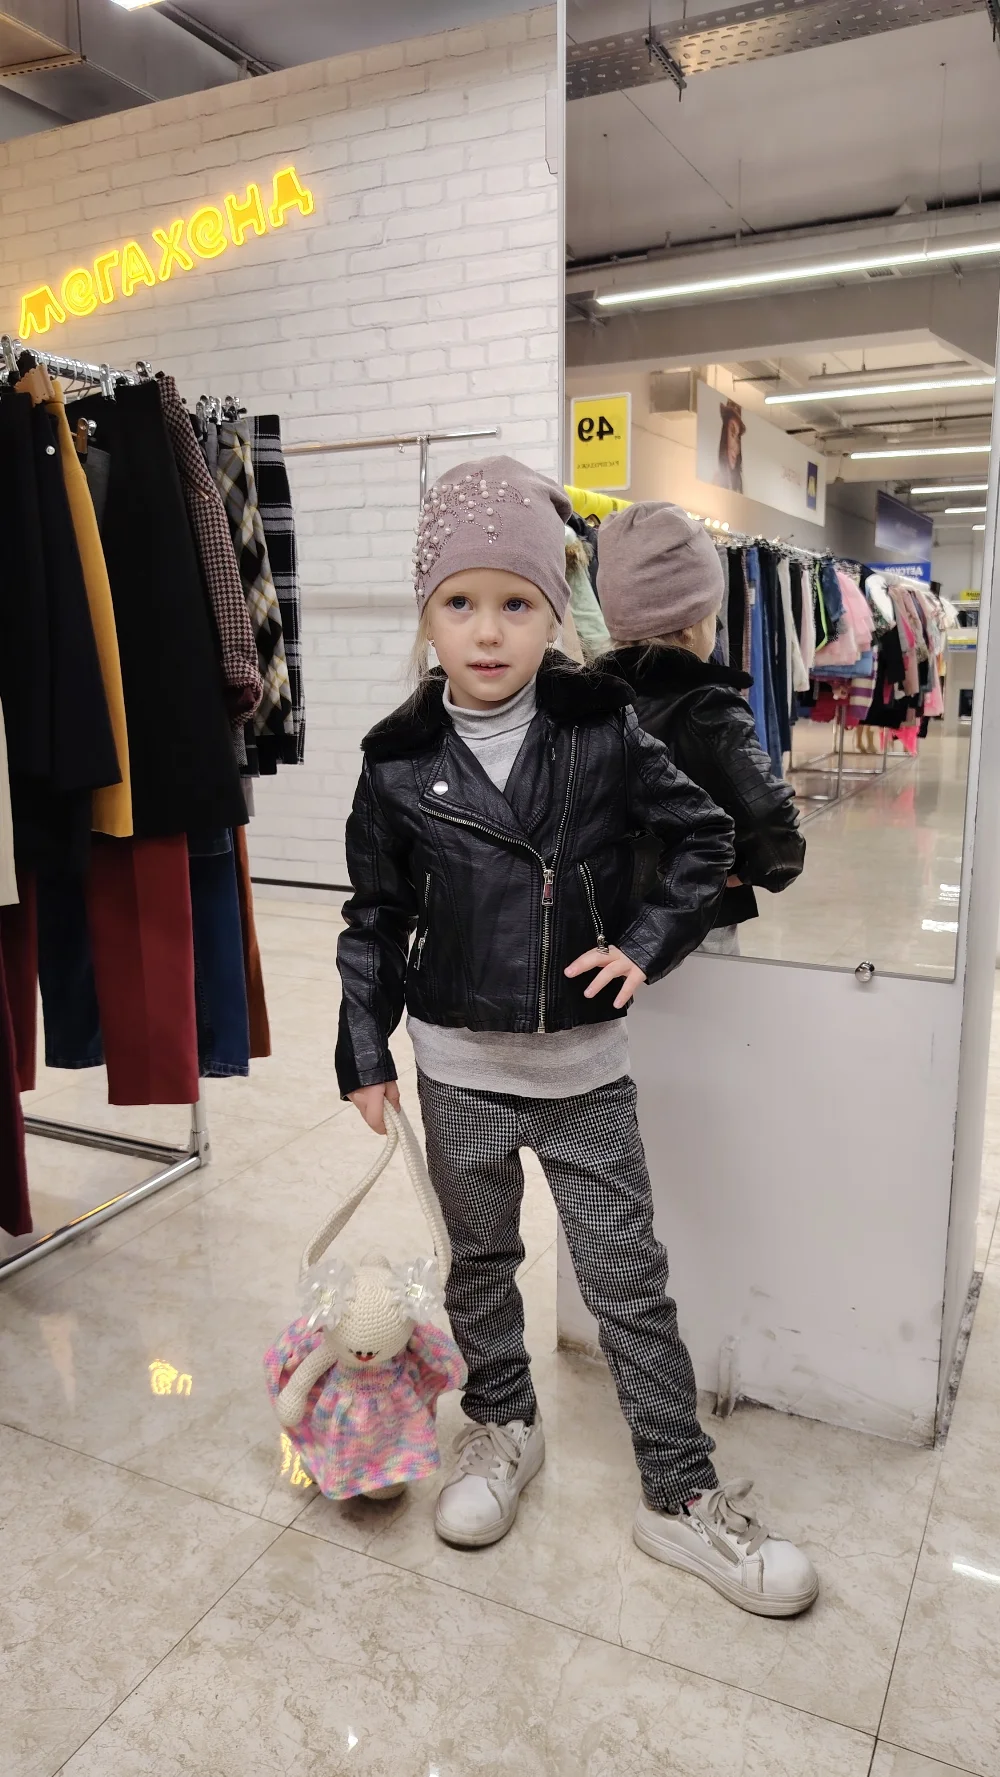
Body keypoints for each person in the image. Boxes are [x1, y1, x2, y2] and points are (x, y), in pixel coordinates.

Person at [336, 456, 819, 1618]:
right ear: (427, 615)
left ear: (556, 612)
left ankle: (678, 1491)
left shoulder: (602, 726)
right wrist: (362, 1047)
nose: (486, 630)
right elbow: (375, 914)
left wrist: (645, 943)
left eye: (516, 602)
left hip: (582, 1070)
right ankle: (500, 1424)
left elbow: (706, 838)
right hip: (456, 1067)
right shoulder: (396, 759)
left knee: (626, 1283)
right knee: (481, 1265)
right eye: (460, 602)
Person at [598, 502, 805, 957]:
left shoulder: (587, 697)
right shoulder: (706, 705)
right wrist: (750, 869)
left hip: (602, 921)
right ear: (693, 627)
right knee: (709, 1005)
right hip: (692, 921)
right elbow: (772, 828)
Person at [715, 399, 745, 493]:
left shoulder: (738, 485)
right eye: (732, 432)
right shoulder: (716, 482)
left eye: (738, 438)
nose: (736, 448)